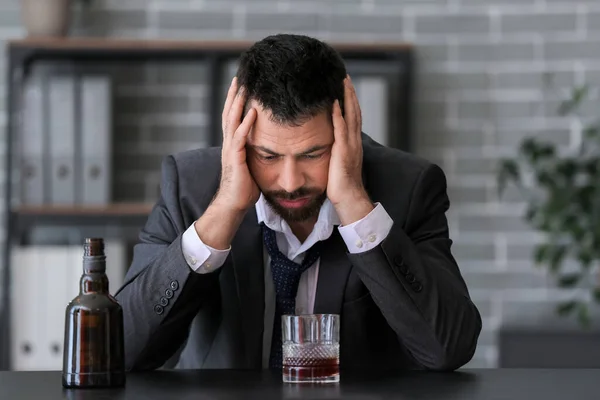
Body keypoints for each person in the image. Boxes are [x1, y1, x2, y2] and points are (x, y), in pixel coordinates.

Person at [114, 33, 482, 372]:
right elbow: (119, 351)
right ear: (237, 135)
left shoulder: (409, 188)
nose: (290, 183)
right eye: (268, 156)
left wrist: (355, 204)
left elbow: (448, 349)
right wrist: (223, 210)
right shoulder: (190, 187)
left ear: (348, 131)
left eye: (313, 154)